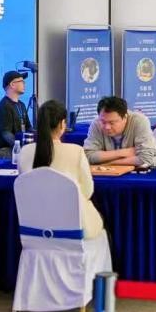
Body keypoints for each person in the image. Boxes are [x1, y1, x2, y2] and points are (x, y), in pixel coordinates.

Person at [17, 99, 104, 239]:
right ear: (62, 124)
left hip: (34, 228)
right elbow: (87, 191)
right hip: (74, 228)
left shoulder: (25, 152)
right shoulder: (76, 151)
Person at [83, 96, 156, 168]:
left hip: (151, 169)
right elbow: (87, 156)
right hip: (110, 172)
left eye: (112, 123)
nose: (107, 127)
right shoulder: (96, 123)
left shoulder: (139, 120)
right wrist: (124, 152)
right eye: (103, 122)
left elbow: (145, 158)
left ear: (125, 117)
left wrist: (108, 163)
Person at [0, 70, 31, 158]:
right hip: (2, 149)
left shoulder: (21, 105)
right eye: (21, 81)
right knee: (25, 156)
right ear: (12, 84)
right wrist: (21, 148)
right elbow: (6, 135)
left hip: (14, 147)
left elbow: (28, 128)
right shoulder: (4, 106)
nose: (24, 84)